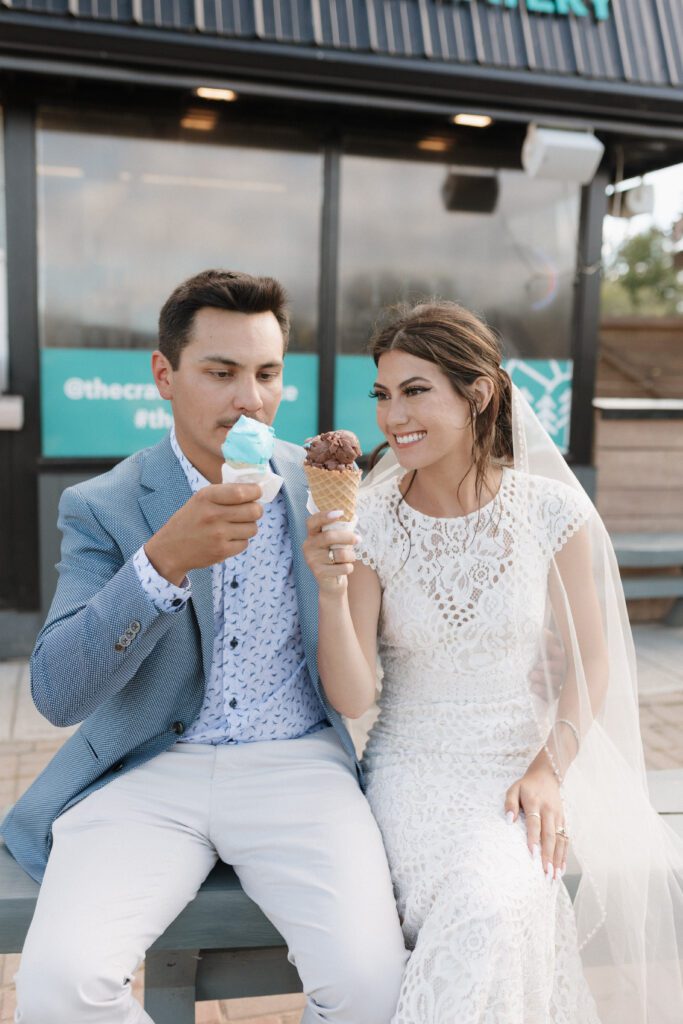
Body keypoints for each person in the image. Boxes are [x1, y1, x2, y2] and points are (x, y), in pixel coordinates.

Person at [1, 269, 409, 1024]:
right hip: (150, 771)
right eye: (220, 373)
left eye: (265, 373)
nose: (249, 398)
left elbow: (361, 680)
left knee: (373, 990)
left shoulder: (322, 480)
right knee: (58, 990)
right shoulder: (104, 505)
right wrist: (159, 565)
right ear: (165, 375)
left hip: (297, 764)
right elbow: (56, 694)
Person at [303, 300, 683, 1024]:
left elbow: (591, 663)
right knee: (479, 914)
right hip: (409, 777)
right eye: (382, 394)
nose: (391, 416)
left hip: (515, 780)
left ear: (476, 394)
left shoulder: (550, 511)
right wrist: (331, 590)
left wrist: (548, 768)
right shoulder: (370, 520)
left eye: (415, 391)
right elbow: (352, 697)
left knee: (493, 906)